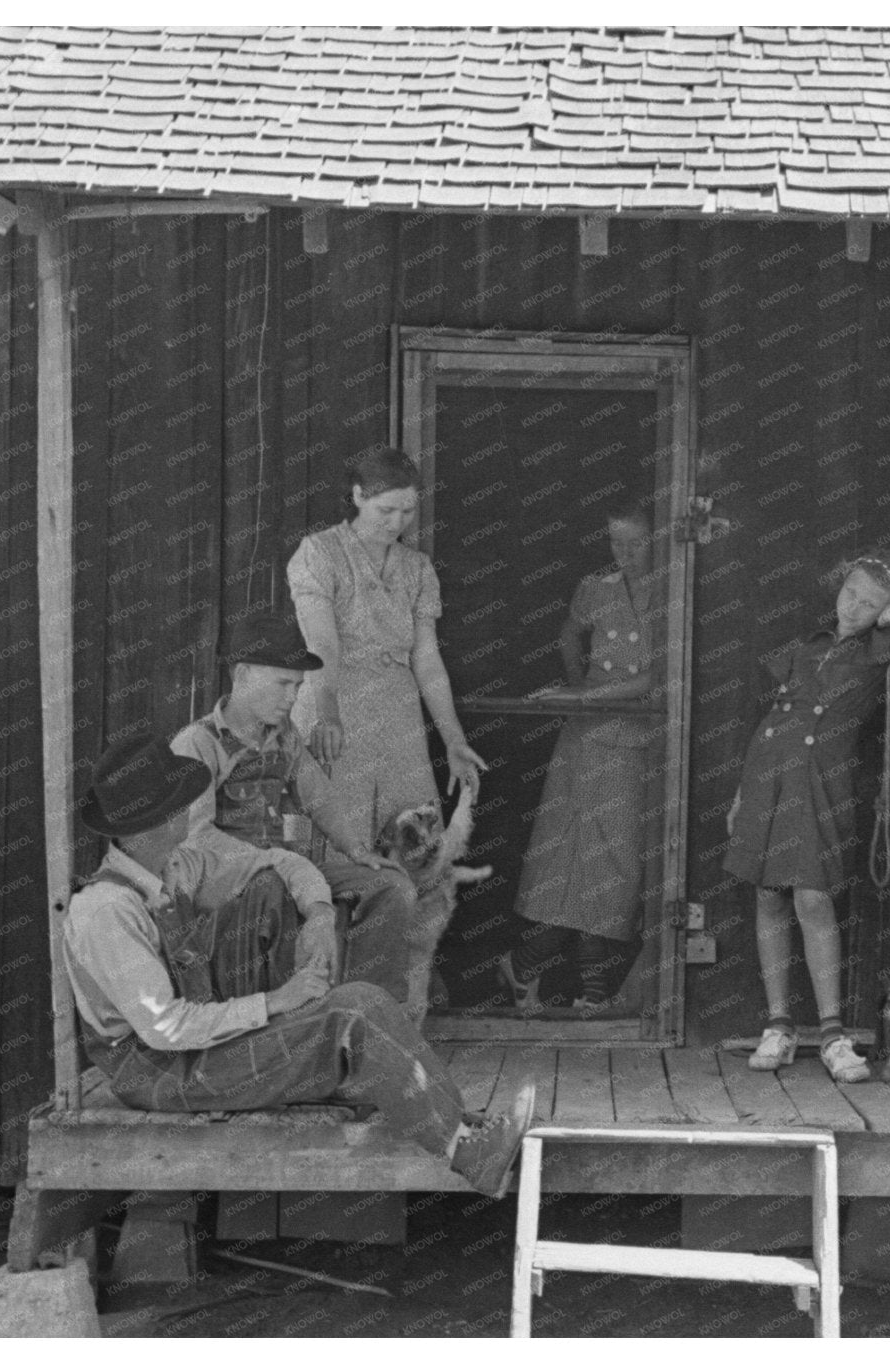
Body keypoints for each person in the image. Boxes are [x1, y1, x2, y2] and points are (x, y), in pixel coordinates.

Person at [62, 733, 535, 1197]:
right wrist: (275, 1002)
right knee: (348, 1019)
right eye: (176, 805)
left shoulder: (177, 866)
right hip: (161, 1071)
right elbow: (165, 1028)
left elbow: (279, 863)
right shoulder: (106, 911)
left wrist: (319, 915)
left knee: (364, 997)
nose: (188, 811)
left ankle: (462, 1129)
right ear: (151, 826)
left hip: (190, 1044)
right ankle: (470, 1156)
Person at [724, 552, 890, 1083]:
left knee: (813, 896)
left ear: (885, 611)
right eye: (851, 592)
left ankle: (832, 1033)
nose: (853, 607)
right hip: (768, 777)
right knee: (766, 894)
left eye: (868, 602)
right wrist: (740, 793)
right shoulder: (810, 647)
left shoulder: (882, 646)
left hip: (822, 782)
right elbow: (773, 719)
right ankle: (779, 1027)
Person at [288, 447, 488, 1013]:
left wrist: (451, 738)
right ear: (357, 497)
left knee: (409, 848)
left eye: (407, 512)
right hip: (335, 705)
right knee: (337, 849)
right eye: (386, 511)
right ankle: (321, 1003)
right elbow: (320, 644)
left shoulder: (417, 569)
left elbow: (427, 659)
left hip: (397, 715)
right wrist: (326, 709)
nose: (397, 523)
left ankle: (396, 1005)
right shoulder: (318, 554)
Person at [170, 614, 418, 1008]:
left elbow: (318, 793)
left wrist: (355, 848)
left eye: (298, 687)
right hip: (236, 882)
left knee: (391, 886)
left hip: (289, 868)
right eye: (283, 684)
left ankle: (372, 1009)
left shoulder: (284, 736)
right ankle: (295, 1021)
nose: (292, 698)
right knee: (274, 890)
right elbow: (196, 838)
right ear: (244, 674)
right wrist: (281, 864)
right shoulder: (198, 743)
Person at [498, 504, 661, 1016]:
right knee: (566, 859)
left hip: (633, 739)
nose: (626, 554)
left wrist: (579, 697)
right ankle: (582, 990)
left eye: (637, 543)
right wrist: (576, 684)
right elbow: (568, 634)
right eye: (617, 542)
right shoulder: (597, 587)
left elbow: (656, 679)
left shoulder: (672, 594)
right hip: (584, 740)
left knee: (616, 864)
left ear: (660, 540)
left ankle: (532, 969)